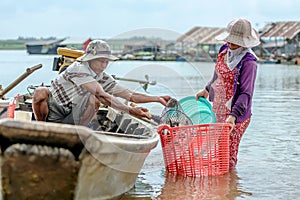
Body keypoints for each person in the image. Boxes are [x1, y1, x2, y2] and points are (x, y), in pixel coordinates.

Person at [33, 40, 171, 126]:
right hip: (54, 112)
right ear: (90, 59)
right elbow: (102, 95)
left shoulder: (102, 77)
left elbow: (130, 95)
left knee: (93, 100)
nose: (104, 65)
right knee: (40, 92)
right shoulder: (78, 68)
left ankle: (77, 133)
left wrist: (157, 99)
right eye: (101, 60)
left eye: (106, 61)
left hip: (72, 116)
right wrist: (130, 110)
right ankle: (41, 127)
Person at [195, 18, 260, 169]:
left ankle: (229, 188)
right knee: (216, 150)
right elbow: (218, 75)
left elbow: (246, 93)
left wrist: (233, 116)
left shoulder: (249, 62)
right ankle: (221, 189)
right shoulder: (224, 50)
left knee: (227, 157)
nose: (230, 44)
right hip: (218, 108)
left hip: (236, 115)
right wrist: (206, 89)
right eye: (229, 39)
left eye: (234, 41)